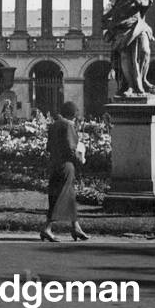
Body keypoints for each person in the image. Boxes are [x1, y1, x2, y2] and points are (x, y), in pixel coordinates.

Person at [102, 0, 155, 97]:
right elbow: (117, 6)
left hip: (137, 23)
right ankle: (130, 86)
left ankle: (142, 80)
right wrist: (107, 16)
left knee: (145, 51)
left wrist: (139, 1)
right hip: (122, 25)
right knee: (126, 58)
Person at [39, 101, 89, 242]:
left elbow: (49, 147)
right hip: (66, 166)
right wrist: (81, 159)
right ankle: (47, 228)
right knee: (60, 197)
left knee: (69, 197)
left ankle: (76, 227)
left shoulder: (54, 125)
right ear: (73, 114)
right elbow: (71, 149)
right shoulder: (68, 125)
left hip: (55, 163)